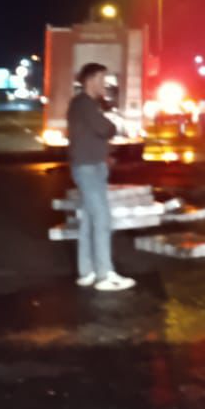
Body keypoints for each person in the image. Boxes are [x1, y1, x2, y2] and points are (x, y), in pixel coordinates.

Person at [67, 61, 134, 291]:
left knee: (88, 221)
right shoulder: (85, 104)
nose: (105, 85)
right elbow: (105, 129)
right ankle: (105, 276)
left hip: (90, 166)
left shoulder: (84, 104)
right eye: (102, 80)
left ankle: (87, 272)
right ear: (90, 81)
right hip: (89, 169)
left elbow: (94, 134)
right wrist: (112, 123)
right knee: (103, 219)